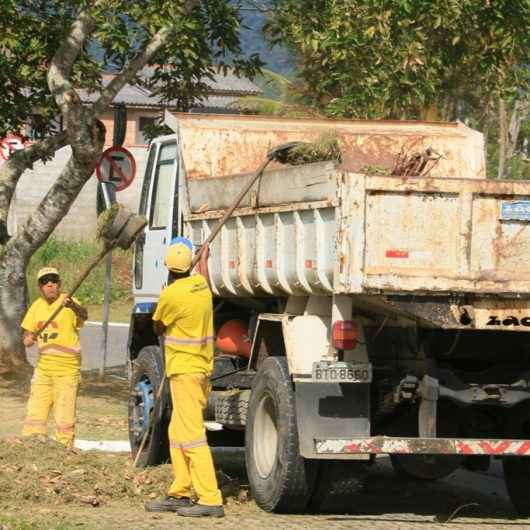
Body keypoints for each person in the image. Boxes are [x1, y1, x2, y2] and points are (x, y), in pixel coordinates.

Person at [145, 237, 224, 518]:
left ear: (167, 266)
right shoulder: (201, 287)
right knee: (177, 432)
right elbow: (204, 277)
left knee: (191, 436)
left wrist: (164, 295)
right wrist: (204, 258)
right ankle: (179, 492)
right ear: (189, 265)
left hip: (185, 372)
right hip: (199, 371)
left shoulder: (171, 295)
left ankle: (211, 499)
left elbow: (157, 328)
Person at [21, 267, 87, 448]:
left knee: (64, 416)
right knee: (35, 412)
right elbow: (27, 335)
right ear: (39, 286)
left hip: (67, 370)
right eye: (45, 281)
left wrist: (72, 305)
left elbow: (84, 315)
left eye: (53, 280)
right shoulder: (36, 307)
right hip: (43, 369)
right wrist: (28, 339)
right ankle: (31, 445)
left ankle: (64, 448)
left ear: (59, 284)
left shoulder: (69, 301)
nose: (50, 284)